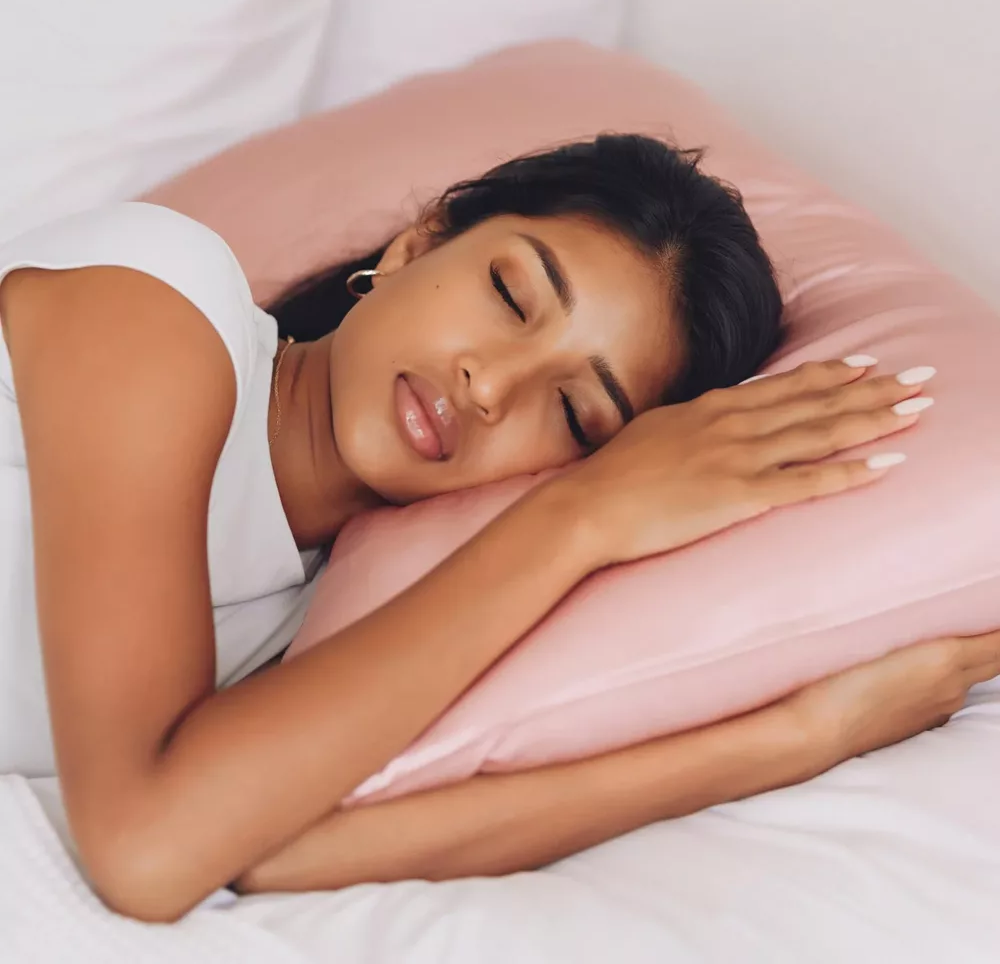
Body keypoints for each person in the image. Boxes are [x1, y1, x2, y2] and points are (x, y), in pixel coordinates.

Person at [1, 134, 996, 923]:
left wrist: (796, 735)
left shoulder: (337, 612)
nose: (490, 384)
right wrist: (577, 516)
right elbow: (147, 848)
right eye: (510, 293)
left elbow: (255, 851)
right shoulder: (156, 301)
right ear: (416, 247)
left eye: (573, 416)